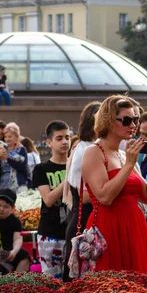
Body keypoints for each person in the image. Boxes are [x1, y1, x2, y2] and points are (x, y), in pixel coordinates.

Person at [81, 95, 147, 274]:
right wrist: (129, 165)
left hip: (135, 227)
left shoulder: (124, 155)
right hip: (109, 229)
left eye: (135, 120)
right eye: (126, 120)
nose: (133, 125)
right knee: (114, 292)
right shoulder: (94, 152)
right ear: (109, 121)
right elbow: (104, 197)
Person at [63, 101, 100, 280]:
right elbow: (83, 194)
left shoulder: (104, 147)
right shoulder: (83, 149)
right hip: (84, 220)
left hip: (97, 219)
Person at [33, 120, 70, 278]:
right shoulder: (41, 169)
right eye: (59, 138)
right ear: (49, 142)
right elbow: (48, 199)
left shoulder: (78, 166)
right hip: (50, 234)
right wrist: (69, 176)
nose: (65, 142)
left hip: (74, 233)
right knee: (53, 282)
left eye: (67, 137)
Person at [0, 189, 31, 273]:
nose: (1, 209)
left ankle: (17, 282)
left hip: (8, 249)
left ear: (13, 208)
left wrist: (13, 252)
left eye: (6, 207)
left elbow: (17, 239)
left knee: (24, 255)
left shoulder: (15, 221)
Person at [0, 122, 29, 192]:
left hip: (19, 183)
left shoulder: (21, 149)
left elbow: (22, 167)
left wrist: (7, 159)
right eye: (5, 137)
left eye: (10, 136)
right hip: (4, 183)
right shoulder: (1, 149)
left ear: (16, 137)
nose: (7, 139)